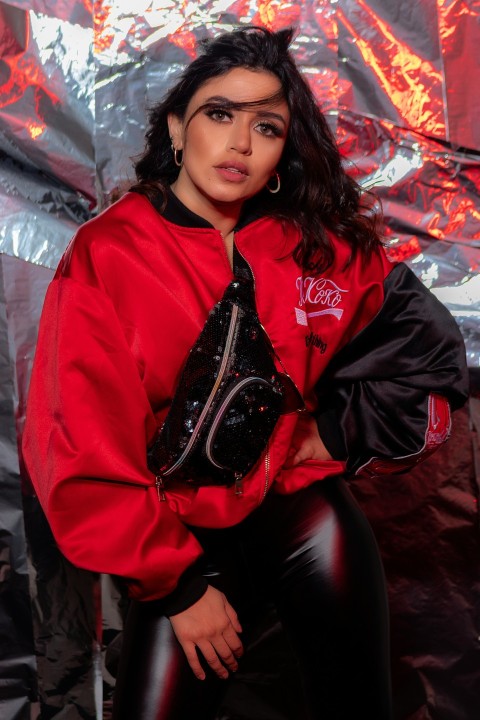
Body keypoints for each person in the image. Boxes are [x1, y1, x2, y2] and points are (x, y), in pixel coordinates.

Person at [22, 26, 468, 720]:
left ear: (284, 149)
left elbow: (431, 354)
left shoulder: (314, 245)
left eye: (266, 125)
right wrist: (177, 591)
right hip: (183, 546)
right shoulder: (108, 255)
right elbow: (77, 444)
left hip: (309, 527)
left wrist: (333, 432)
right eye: (220, 114)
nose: (240, 143)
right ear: (178, 126)